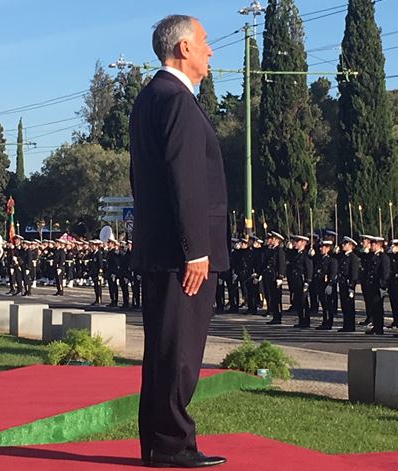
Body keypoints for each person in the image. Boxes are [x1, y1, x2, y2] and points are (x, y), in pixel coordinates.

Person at [128, 15, 228, 468]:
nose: (210, 50)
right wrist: (197, 249)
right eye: (204, 42)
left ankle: (157, 442)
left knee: (164, 351)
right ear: (184, 48)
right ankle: (172, 445)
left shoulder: (150, 98)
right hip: (181, 254)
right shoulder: (178, 101)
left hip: (160, 247)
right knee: (181, 353)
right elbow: (185, 180)